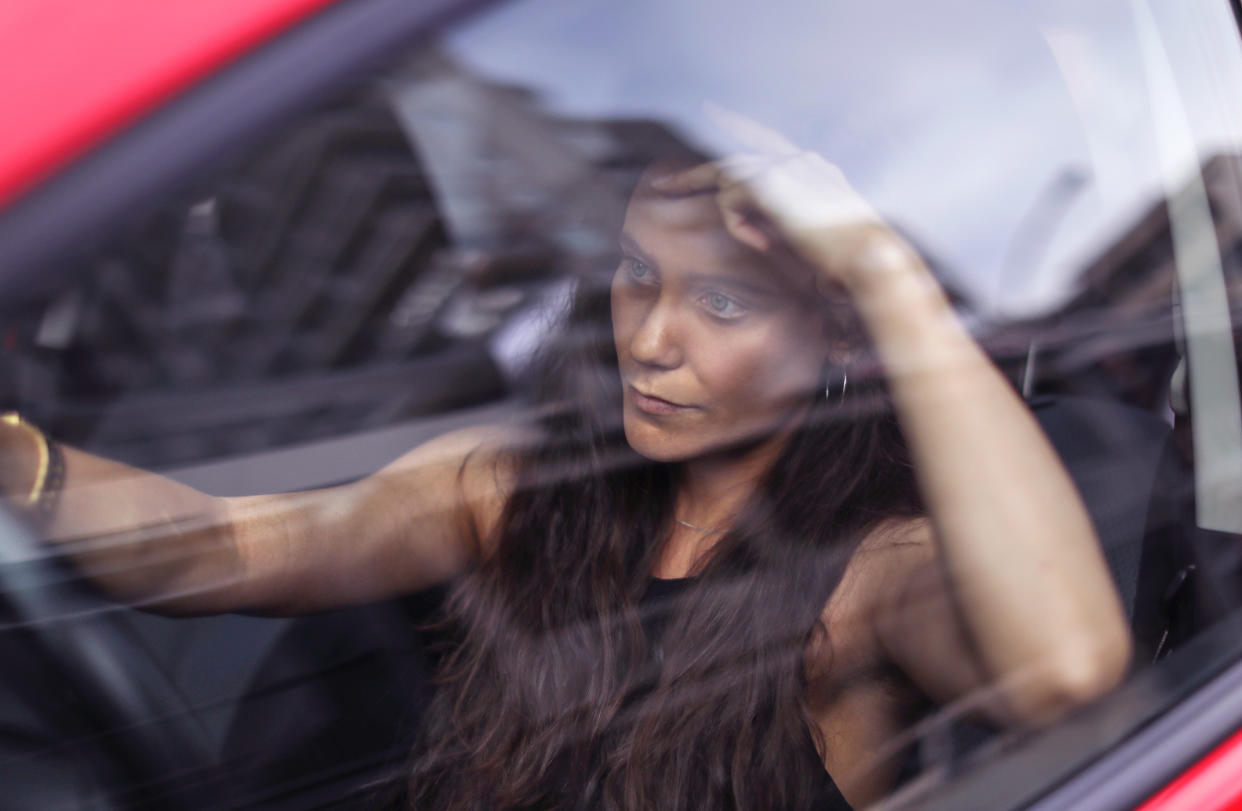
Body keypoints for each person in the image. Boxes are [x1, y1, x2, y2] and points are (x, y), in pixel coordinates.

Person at [0, 112, 1131, 810]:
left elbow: (1065, 669)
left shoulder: (873, 572)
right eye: (638, 274)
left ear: (833, 334)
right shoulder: (509, 491)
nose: (648, 336)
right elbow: (229, 545)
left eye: (722, 301)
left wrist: (886, 276)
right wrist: (21, 459)